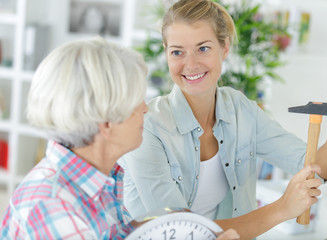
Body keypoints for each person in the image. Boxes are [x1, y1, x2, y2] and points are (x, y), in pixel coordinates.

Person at [120, 0, 327, 239]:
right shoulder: (148, 128)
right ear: (166, 53)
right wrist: (281, 209)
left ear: (225, 48)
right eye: (177, 52)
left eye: (203, 48)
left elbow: (316, 168)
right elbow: (180, 232)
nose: (190, 64)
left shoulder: (241, 111)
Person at [0, 37, 239, 240]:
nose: (146, 109)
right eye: (137, 101)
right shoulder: (52, 208)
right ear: (107, 123)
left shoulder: (98, 180)